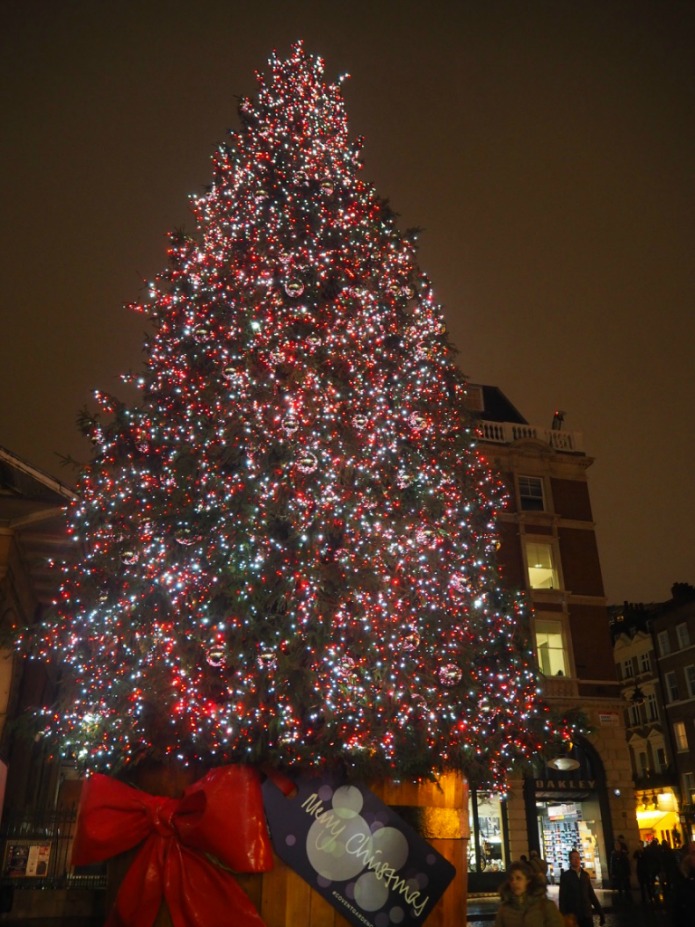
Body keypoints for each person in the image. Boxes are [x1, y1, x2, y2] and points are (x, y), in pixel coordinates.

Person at [494, 860, 564, 927]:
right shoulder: (504, 909)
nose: (514, 882)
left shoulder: (545, 906)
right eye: (511, 879)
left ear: (528, 880)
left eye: (518, 878)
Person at [559, 850, 605, 927]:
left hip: (586, 914)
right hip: (574, 915)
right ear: (570, 860)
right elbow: (562, 897)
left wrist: (600, 912)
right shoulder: (565, 876)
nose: (576, 860)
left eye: (577, 857)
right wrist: (563, 916)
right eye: (573, 858)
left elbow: (591, 894)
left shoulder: (585, 875)